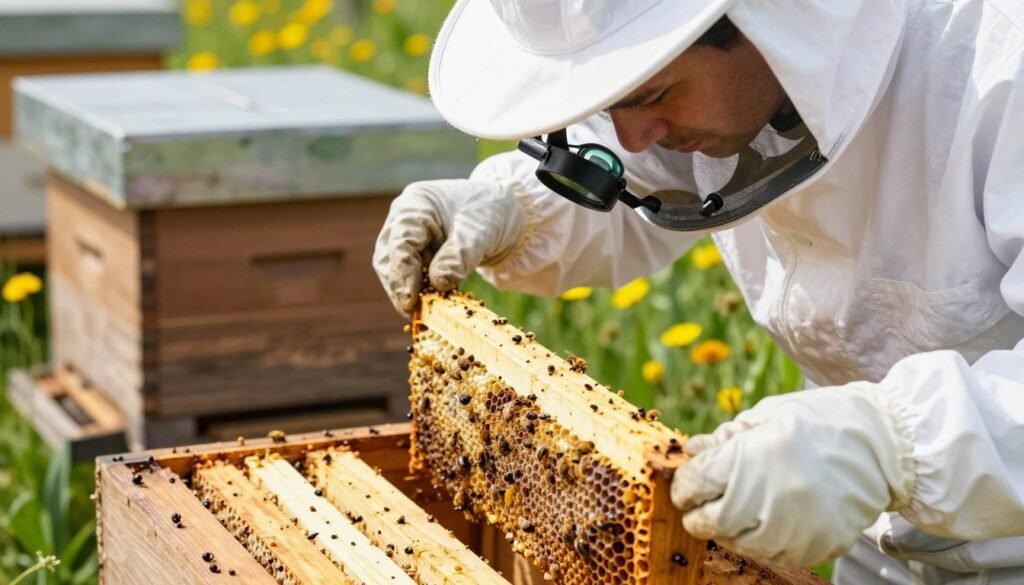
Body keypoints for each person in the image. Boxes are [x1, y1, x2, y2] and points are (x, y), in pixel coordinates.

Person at [373, 1, 1024, 583]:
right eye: (612, 99)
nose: (633, 133)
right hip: (870, 531)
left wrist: (893, 447)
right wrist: (516, 207)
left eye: (653, 90)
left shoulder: (1001, 65)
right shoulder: (743, 83)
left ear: (769, 20)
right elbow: (638, 173)